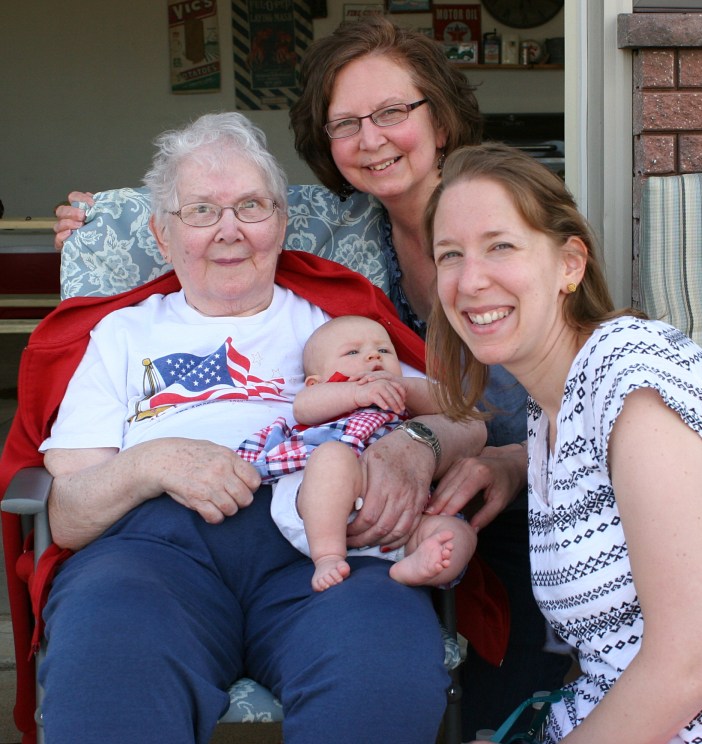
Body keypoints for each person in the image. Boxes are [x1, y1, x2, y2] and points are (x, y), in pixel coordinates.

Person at [52, 17, 573, 737]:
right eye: (200, 211)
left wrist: (414, 443)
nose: (229, 229)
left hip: (328, 545)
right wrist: (152, 462)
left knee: (382, 674)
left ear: (282, 221)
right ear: (161, 235)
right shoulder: (117, 333)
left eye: (251, 206)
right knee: (108, 670)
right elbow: (67, 512)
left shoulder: (337, 316)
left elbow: (462, 413)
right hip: (153, 552)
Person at [424, 142, 702, 743]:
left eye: (501, 246)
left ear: (570, 265)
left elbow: (692, 661)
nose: (471, 280)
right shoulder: (549, 411)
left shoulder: (631, 378)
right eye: (450, 254)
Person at [238, 314, 477, 591]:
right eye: (353, 352)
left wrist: (404, 387)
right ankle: (328, 556)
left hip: (399, 519)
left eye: (384, 350)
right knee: (333, 456)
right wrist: (355, 394)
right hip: (320, 510)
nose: (373, 355)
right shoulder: (321, 395)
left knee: (459, 534)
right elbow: (302, 408)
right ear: (316, 382)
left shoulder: (402, 400)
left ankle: (416, 567)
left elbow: (450, 405)